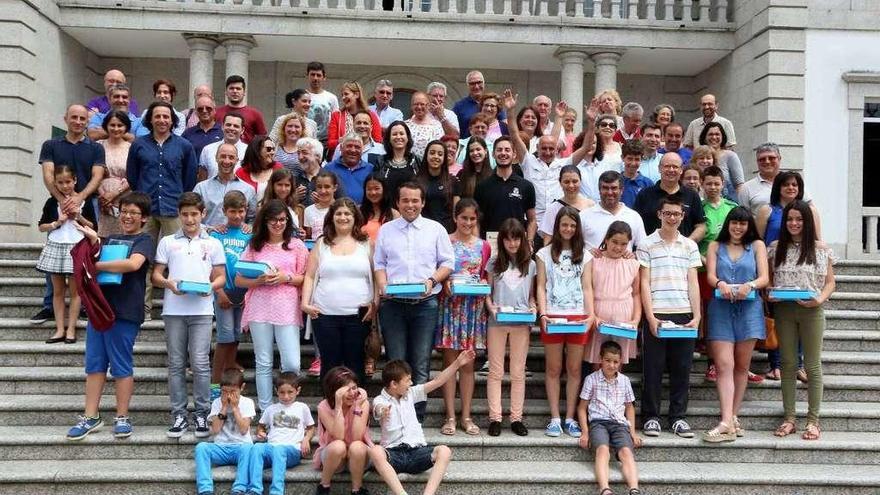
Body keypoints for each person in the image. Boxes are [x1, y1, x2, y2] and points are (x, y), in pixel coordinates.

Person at [64, 192, 153, 440]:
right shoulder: (111, 239)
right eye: (124, 211)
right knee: (94, 364)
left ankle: (122, 417)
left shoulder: (144, 241)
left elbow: (133, 265)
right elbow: (92, 238)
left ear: (144, 218)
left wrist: (95, 266)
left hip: (125, 312)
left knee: (121, 364)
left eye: (133, 213)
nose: (127, 216)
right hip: (99, 309)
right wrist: (77, 215)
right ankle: (91, 416)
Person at [374, 181, 455, 420]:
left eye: (415, 200)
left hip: (425, 304)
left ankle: (416, 416)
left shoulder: (435, 229)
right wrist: (382, 285)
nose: (410, 205)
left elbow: (447, 263)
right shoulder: (386, 230)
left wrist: (432, 280)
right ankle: (395, 414)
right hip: (393, 304)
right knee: (396, 362)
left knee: (420, 363)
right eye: (405, 200)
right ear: (398, 203)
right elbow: (379, 264)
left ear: (423, 202)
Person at [151, 192, 226, 438]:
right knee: (175, 363)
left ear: (203, 214)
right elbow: (156, 275)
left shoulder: (213, 243)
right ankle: (179, 414)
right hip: (174, 310)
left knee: (201, 363)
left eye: (194, 214)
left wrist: (210, 288)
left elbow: (220, 277)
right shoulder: (168, 241)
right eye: (185, 214)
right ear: (179, 215)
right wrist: (169, 284)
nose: (190, 219)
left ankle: (202, 413)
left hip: (202, 310)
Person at [768, 201, 836, 441]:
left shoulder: (820, 248)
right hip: (785, 310)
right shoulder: (776, 247)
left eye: (799, 219)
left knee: (812, 365)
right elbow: (769, 279)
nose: (794, 223)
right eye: (790, 219)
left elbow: (830, 282)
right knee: (787, 364)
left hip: (811, 311)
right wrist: (770, 292)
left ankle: (813, 421)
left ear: (807, 222)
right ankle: (789, 419)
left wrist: (819, 300)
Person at [637, 196, 702, 438]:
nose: (672, 218)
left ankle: (678, 417)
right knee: (652, 369)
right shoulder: (646, 244)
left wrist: (697, 316)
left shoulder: (689, 246)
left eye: (676, 214)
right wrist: (650, 317)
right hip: (658, 311)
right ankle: (651, 416)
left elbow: (693, 282)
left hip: (683, 312)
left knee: (681, 369)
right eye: (668, 213)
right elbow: (643, 282)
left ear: (683, 216)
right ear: (659, 214)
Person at [234, 200, 309, 411]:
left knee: (292, 362)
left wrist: (285, 277)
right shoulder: (254, 245)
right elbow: (239, 279)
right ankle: (266, 409)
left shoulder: (297, 245)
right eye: (273, 220)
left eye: (282, 219)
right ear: (264, 221)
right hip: (260, 306)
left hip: (286, 307)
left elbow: (305, 278)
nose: (278, 224)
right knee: (264, 361)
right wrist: (258, 281)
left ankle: (289, 408)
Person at [127, 101, 199, 319]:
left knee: (176, 259)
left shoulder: (184, 146)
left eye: (165, 117)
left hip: (172, 208)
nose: (161, 120)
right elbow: (132, 176)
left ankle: (176, 306)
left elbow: (189, 177)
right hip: (145, 211)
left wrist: (179, 199)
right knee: (143, 260)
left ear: (172, 120)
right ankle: (143, 309)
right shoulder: (139, 145)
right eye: (157, 116)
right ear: (150, 120)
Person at [703, 206, 769, 443]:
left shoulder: (757, 246)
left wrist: (749, 285)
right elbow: (710, 275)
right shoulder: (715, 246)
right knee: (723, 364)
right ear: (728, 224)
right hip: (720, 309)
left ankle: (732, 417)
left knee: (741, 366)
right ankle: (725, 420)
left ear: (749, 226)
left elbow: (764, 277)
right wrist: (719, 283)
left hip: (749, 309)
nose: (738, 227)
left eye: (743, 223)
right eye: (734, 223)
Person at [369, 353, 475, 495]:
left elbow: (437, 381)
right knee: (375, 451)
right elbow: (378, 408)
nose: (411, 383)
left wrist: (457, 363)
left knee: (444, 451)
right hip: (394, 454)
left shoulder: (412, 393)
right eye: (407, 380)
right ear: (394, 384)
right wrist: (383, 411)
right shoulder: (379, 400)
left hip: (417, 452)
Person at [536, 206, 595, 438]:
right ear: (557, 227)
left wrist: (590, 314)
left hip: (578, 316)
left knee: (573, 368)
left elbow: (588, 287)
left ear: (577, 228)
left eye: (572, 225)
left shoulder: (586, 255)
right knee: (553, 368)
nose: (568, 229)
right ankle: (554, 418)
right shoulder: (544, 253)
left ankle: (570, 417)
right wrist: (542, 314)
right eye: (564, 225)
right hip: (553, 315)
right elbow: (540, 285)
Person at [301, 198, 375, 382]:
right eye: (339, 213)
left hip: (359, 315)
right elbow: (310, 275)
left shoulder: (366, 243)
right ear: (331, 217)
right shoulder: (321, 244)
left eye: (347, 213)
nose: (343, 217)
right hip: (325, 315)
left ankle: (357, 408)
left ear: (355, 217)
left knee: (355, 363)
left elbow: (376, 275)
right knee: (330, 364)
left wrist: (375, 304)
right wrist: (305, 304)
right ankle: (331, 407)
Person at [435, 199, 490, 436]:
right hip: (450, 308)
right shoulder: (445, 241)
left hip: (473, 311)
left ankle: (466, 416)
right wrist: (445, 281)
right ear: (456, 217)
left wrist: (484, 286)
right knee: (450, 364)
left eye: (472, 218)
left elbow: (487, 276)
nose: (468, 222)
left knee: (467, 366)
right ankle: (449, 416)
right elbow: (437, 269)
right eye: (464, 217)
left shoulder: (484, 246)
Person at [505, 91, 594, 234]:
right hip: (532, 224)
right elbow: (514, 136)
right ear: (537, 148)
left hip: (558, 225)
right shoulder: (528, 161)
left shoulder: (564, 164)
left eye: (551, 149)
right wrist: (510, 111)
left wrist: (591, 122)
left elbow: (586, 147)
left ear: (557, 149)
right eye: (544, 148)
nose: (547, 152)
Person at [484, 218, 536, 437]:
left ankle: (516, 417)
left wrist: (534, 307)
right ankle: (495, 417)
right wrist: (491, 307)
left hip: (521, 323)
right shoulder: (494, 263)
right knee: (495, 371)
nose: (512, 244)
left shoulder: (530, 264)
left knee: (517, 372)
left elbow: (532, 295)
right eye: (508, 239)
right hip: (498, 321)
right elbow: (487, 291)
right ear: (502, 241)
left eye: (516, 239)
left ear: (522, 239)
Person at [37, 164, 96, 344]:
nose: (65, 186)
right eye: (60, 182)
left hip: (76, 246)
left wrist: (78, 216)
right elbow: (41, 226)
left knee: (76, 291)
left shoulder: (84, 202)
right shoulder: (51, 202)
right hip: (56, 245)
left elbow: (93, 226)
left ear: (75, 181)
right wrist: (57, 222)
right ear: (55, 183)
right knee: (57, 291)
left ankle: (71, 329)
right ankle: (59, 329)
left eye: (68, 182)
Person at [577, 340, 642, 495]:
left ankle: (634, 489)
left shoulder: (625, 381)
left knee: (626, 452)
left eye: (615, 362)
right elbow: (581, 408)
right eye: (607, 361)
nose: (611, 365)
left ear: (620, 362)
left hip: (619, 424)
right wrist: (585, 432)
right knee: (603, 450)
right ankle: (605, 488)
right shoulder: (591, 379)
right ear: (601, 359)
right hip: (598, 423)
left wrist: (632, 432)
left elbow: (629, 407)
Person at [207, 191, 252, 394]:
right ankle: (215, 383)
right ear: (224, 211)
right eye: (232, 211)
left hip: (243, 293)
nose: (237, 216)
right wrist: (219, 292)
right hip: (223, 292)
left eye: (241, 211)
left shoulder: (249, 234)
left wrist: (248, 294)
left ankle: (230, 369)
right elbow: (210, 266)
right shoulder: (216, 234)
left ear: (246, 211)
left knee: (235, 336)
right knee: (224, 337)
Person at [584, 221, 642, 366]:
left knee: (616, 361)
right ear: (606, 239)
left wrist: (635, 319)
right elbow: (587, 289)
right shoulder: (594, 261)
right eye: (614, 242)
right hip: (599, 314)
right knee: (597, 360)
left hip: (624, 315)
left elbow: (636, 294)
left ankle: (615, 389)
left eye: (623, 244)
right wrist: (593, 315)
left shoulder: (632, 264)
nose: (618, 247)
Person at [248, 372, 315, 495]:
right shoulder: (271, 409)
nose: (286, 396)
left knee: (279, 450)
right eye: (282, 392)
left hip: (292, 450)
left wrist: (306, 439)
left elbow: (311, 427)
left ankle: (276, 491)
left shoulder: (302, 407)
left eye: (290, 392)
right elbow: (260, 426)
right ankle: (254, 489)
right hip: (272, 448)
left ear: (297, 391)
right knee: (257, 447)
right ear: (276, 391)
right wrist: (260, 432)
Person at [193, 368, 255, 495]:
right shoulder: (217, 403)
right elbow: (215, 430)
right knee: (201, 447)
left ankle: (239, 487)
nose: (228, 395)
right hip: (221, 447)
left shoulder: (248, 402)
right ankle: (205, 489)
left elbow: (244, 430)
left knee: (249, 448)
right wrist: (224, 407)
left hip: (241, 447)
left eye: (233, 391)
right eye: (224, 391)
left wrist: (235, 408)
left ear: (242, 388)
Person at [313, 366, 373, 495]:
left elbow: (357, 437)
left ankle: (357, 489)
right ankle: (324, 486)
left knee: (357, 446)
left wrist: (357, 407)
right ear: (335, 391)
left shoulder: (363, 403)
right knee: (338, 446)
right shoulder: (323, 407)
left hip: (359, 457)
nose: (352, 393)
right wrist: (338, 406)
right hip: (334, 458)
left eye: (354, 388)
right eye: (346, 390)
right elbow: (339, 436)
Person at [473, 136, 537, 240]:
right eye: (499, 150)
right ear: (493, 154)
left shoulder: (526, 186)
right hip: (491, 244)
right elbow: (476, 220)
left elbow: (532, 220)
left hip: (516, 243)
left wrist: (529, 242)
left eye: (507, 150)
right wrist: (478, 244)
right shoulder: (482, 187)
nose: (503, 153)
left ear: (514, 154)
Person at [634, 153, 706, 241]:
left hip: (683, 252)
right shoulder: (644, 194)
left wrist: (687, 244)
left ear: (681, 170)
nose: (671, 170)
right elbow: (635, 225)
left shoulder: (692, 195)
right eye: (667, 166)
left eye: (675, 166)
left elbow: (701, 226)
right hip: (651, 252)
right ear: (659, 168)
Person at [193, 143, 258, 230]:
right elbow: (192, 216)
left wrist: (249, 227)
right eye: (223, 156)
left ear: (237, 160)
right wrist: (210, 229)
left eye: (231, 157)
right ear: (216, 158)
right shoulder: (201, 188)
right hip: (208, 239)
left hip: (238, 241)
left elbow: (252, 219)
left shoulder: (249, 189)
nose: (227, 161)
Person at [580, 170, 647, 253]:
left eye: (614, 188)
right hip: (591, 265)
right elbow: (573, 246)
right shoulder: (584, 216)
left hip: (625, 265)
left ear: (622, 190)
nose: (610, 192)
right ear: (599, 190)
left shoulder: (634, 216)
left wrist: (634, 255)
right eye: (605, 188)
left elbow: (643, 248)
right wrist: (586, 253)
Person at [96, 110, 132, 237]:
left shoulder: (132, 148)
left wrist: (115, 193)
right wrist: (104, 196)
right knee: (101, 237)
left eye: (120, 125)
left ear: (126, 127)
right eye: (112, 125)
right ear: (106, 126)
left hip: (124, 197)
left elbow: (133, 175)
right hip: (101, 199)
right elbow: (94, 174)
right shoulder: (98, 146)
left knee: (123, 236)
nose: (116, 128)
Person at [539, 165, 595, 244]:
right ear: (560, 183)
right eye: (566, 182)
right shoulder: (553, 208)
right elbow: (548, 240)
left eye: (575, 181)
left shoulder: (591, 206)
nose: (571, 185)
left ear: (580, 181)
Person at [327, 81, 382, 155]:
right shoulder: (337, 116)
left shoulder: (371, 115)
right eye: (342, 95)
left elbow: (378, 140)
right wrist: (342, 141)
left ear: (356, 95)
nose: (343, 98)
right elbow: (330, 144)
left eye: (346, 94)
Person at [418, 140, 460, 232]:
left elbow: (456, 212)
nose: (436, 156)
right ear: (426, 156)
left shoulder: (453, 181)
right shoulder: (416, 181)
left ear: (444, 158)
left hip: (446, 231)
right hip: (423, 230)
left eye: (440, 154)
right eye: (432, 153)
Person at [375, 121, 420, 205]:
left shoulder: (416, 161)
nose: (398, 137)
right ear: (389, 139)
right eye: (394, 134)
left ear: (407, 137)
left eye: (401, 133)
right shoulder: (381, 161)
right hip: (388, 212)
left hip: (412, 210)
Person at [215, 75, 267, 144]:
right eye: (231, 88)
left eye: (238, 88)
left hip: (246, 154)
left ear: (244, 92)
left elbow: (262, 139)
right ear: (226, 92)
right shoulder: (216, 113)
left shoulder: (255, 114)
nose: (235, 91)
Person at [698, 122, 744, 200]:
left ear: (722, 137)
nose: (714, 137)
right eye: (710, 134)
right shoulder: (698, 156)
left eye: (717, 134)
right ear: (704, 137)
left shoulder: (730, 156)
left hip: (728, 204)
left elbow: (739, 185)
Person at [325, 133, 374, 205]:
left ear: (362, 150)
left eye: (357, 147)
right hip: (338, 213)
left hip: (364, 213)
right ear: (341, 148)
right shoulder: (329, 169)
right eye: (349, 146)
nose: (353, 150)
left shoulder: (370, 169)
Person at [199, 112, 247, 182]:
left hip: (241, 192)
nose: (231, 128)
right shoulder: (207, 150)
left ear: (242, 130)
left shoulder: (248, 151)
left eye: (236, 126)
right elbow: (202, 179)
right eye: (228, 125)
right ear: (222, 126)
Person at [739, 143, 784, 216]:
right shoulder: (746, 188)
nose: (767, 161)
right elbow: (743, 218)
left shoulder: (792, 184)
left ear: (779, 159)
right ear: (757, 162)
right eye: (762, 159)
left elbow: (807, 205)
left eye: (771, 158)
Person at [305, 61, 340, 149]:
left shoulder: (331, 98)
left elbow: (336, 121)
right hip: (305, 140)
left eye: (318, 75)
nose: (315, 78)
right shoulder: (301, 96)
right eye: (312, 74)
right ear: (307, 76)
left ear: (324, 78)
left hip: (326, 143)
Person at [235, 135, 283, 199]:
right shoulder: (241, 173)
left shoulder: (278, 168)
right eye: (268, 149)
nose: (272, 152)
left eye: (273, 149)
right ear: (257, 150)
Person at [360, 173, 399, 243]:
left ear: (384, 189)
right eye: (369, 189)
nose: (373, 192)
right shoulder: (358, 211)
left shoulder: (394, 214)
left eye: (377, 188)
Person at [182, 95, 223, 162]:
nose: (204, 111)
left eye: (208, 108)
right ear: (196, 112)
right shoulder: (187, 134)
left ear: (215, 110)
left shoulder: (223, 132)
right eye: (200, 109)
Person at [406, 91, 445, 158]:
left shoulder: (436, 126)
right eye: (416, 104)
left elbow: (440, 148)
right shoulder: (405, 125)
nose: (419, 107)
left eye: (422, 104)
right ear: (411, 106)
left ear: (428, 106)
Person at [303, 171, 339, 240]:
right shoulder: (308, 210)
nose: (323, 191)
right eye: (319, 187)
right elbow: (309, 236)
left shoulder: (341, 209)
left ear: (335, 188)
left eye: (327, 187)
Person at [619, 140, 653, 208]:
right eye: (630, 159)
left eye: (637, 159)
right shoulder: (616, 181)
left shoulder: (648, 183)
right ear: (622, 158)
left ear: (641, 160)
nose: (633, 163)